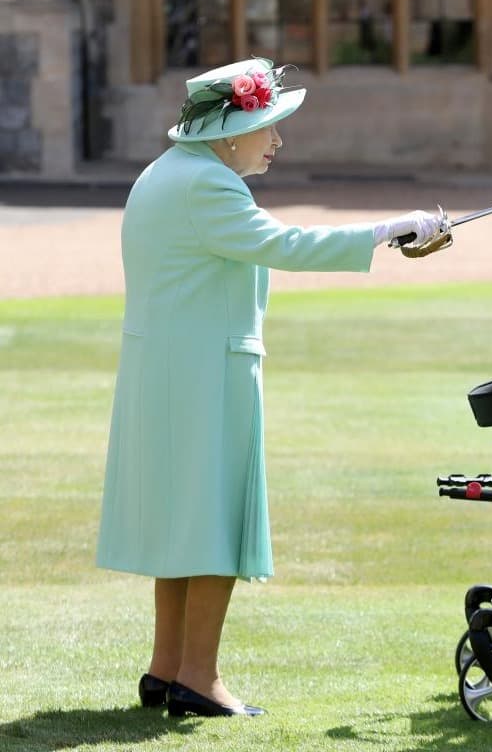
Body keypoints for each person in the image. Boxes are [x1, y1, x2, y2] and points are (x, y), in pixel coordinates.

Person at [95, 58, 445, 718]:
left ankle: (167, 668)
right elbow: (284, 244)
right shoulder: (207, 185)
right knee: (215, 522)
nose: (276, 141)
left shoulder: (168, 174)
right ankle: (197, 678)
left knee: (183, 524)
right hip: (202, 375)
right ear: (229, 132)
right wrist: (387, 230)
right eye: (268, 127)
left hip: (171, 373)